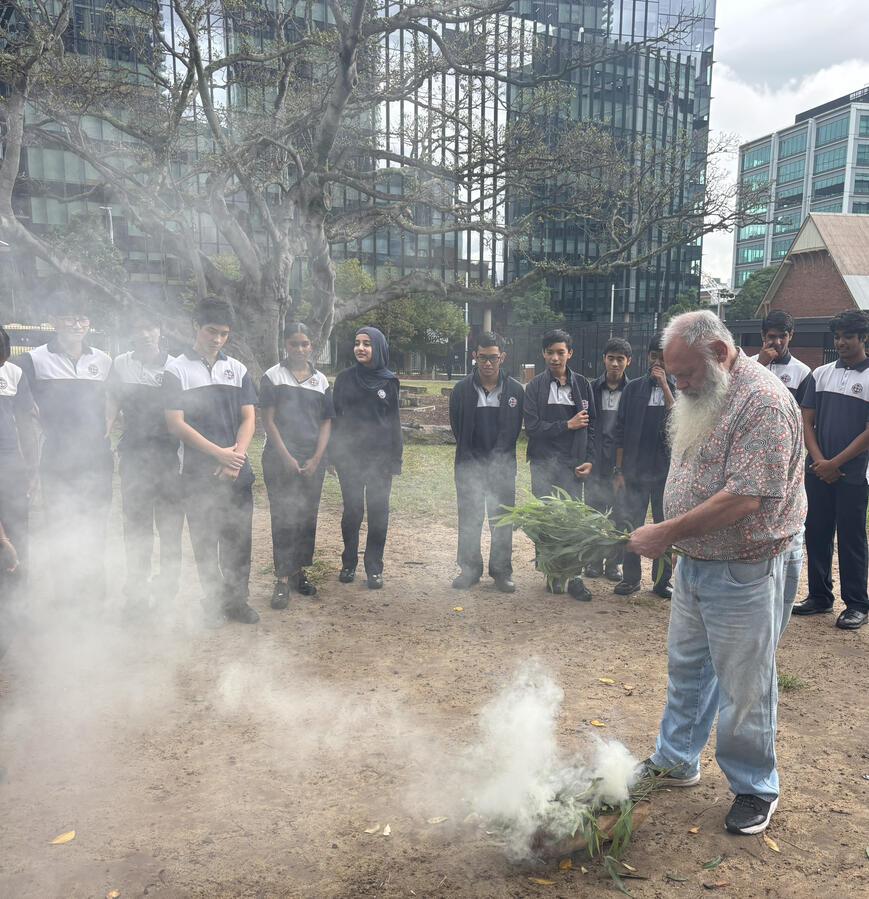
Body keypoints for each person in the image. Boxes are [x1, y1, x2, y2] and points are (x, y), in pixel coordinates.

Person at [627, 310, 805, 836]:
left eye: (684, 373)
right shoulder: (704, 394)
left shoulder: (763, 402)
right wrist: (681, 543)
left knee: (744, 685)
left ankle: (755, 786)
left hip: (747, 568)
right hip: (697, 562)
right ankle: (677, 758)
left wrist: (665, 533)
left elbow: (745, 497)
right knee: (687, 668)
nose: (676, 383)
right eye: (671, 372)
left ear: (722, 354)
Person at [162, 298, 259, 628]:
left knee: (239, 539)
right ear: (195, 326)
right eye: (211, 331)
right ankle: (212, 601)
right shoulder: (176, 370)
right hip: (197, 473)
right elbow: (176, 424)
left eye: (223, 334)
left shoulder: (239, 369)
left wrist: (235, 458)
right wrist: (218, 454)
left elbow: (248, 419)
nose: (216, 339)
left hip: (236, 471)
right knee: (205, 541)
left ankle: (237, 602)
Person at [17, 299, 114, 604]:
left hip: (97, 454)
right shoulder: (33, 361)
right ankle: (64, 593)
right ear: (53, 320)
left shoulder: (103, 360)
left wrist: (110, 420)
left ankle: (93, 588)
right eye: (69, 318)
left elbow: (113, 396)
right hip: (57, 454)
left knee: (96, 520)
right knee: (60, 521)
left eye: (82, 319)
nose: (76, 325)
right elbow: (19, 404)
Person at [792, 309, 869, 630]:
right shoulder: (820, 374)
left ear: (863, 338)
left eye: (848, 337)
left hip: (854, 475)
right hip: (818, 471)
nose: (841, 343)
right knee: (818, 532)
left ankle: (857, 603)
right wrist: (820, 461)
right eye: (837, 337)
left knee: (851, 537)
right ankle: (820, 596)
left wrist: (835, 463)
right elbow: (805, 420)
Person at [107, 313, 185, 615]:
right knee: (136, 528)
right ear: (131, 331)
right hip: (133, 458)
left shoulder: (174, 365)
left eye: (150, 327)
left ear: (160, 331)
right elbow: (112, 399)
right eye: (139, 327)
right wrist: (106, 425)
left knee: (170, 529)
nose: (145, 334)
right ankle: (136, 593)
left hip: (169, 459)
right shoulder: (120, 363)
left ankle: (167, 592)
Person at [260, 322, 334, 609]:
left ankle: (297, 573)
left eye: (304, 344)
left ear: (311, 346)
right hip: (279, 459)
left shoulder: (321, 381)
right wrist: (286, 457)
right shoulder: (272, 377)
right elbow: (267, 421)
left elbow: (326, 422)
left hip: (312, 460)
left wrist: (317, 458)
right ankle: (280, 580)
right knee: (283, 517)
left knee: (306, 517)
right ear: (285, 345)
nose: (300, 349)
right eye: (294, 344)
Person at [448, 331, 524, 593]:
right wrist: (473, 464)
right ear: (474, 356)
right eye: (482, 357)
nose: (488, 363)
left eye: (493, 358)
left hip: (502, 469)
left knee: (501, 520)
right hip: (469, 467)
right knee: (469, 518)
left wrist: (496, 464)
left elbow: (513, 432)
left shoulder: (515, 390)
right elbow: (458, 429)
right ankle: (469, 569)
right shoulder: (460, 390)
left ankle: (501, 571)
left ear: (502, 357)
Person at [524, 328, 596, 600]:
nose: (555, 358)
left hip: (573, 465)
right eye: (550, 352)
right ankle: (552, 572)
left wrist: (589, 459)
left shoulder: (582, 385)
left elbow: (593, 427)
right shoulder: (534, 388)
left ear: (570, 353)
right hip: (542, 463)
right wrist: (567, 424)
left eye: (560, 352)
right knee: (545, 519)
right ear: (543, 353)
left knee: (573, 520)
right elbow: (532, 427)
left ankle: (575, 576)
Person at [330, 327, 402, 590]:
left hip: (380, 460)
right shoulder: (344, 379)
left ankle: (374, 567)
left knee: (378, 514)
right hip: (349, 458)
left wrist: (396, 459)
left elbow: (394, 423)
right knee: (352, 512)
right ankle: (348, 563)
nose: (360, 348)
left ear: (379, 348)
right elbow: (334, 420)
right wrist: (331, 455)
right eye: (357, 343)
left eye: (367, 344)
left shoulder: (389, 381)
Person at [612, 333, 675, 598]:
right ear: (647, 357)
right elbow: (620, 431)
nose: (657, 362)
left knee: (665, 526)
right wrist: (618, 470)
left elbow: (680, 422)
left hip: (666, 473)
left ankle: (661, 581)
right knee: (631, 525)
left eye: (663, 357)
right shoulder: (632, 389)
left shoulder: (679, 389)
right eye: (653, 356)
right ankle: (631, 578)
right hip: (635, 471)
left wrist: (664, 385)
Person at [0, 325, 38, 653]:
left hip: (10, 464)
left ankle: (15, 613)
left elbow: (27, 423)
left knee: (18, 540)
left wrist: (32, 467)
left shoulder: (12, 373)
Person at [585, 337, 632, 582]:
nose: (615, 364)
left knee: (618, 516)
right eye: (611, 358)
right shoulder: (590, 388)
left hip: (620, 463)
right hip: (595, 461)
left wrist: (622, 468)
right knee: (594, 513)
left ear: (628, 362)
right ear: (604, 359)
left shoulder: (633, 391)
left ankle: (614, 564)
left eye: (620, 359)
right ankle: (593, 562)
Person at [750, 310, 811, 403]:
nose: (777, 342)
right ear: (763, 335)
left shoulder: (803, 372)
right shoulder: (748, 365)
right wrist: (760, 365)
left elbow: (804, 413)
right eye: (772, 336)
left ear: (790, 335)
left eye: (782, 336)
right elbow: (739, 398)